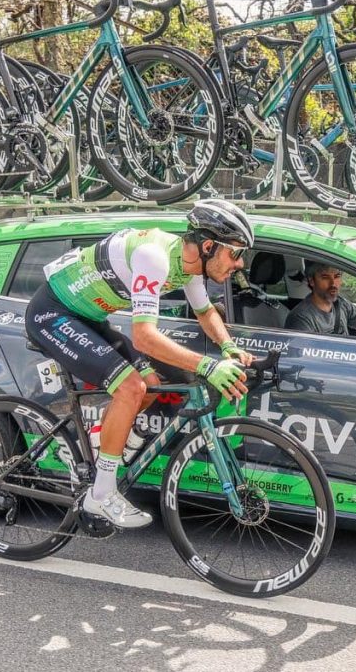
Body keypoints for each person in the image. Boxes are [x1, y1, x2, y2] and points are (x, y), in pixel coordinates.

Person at [25, 200, 255, 529]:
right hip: (53, 314)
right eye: (235, 253)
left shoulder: (187, 267)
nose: (240, 263)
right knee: (132, 387)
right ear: (208, 246)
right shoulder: (154, 257)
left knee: (151, 385)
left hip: (87, 317)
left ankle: (97, 445)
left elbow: (205, 313)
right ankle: (100, 495)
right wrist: (208, 365)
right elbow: (145, 337)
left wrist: (228, 346)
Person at [285, 261, 356, 336]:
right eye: (325, 277)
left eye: (337, 276)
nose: (333, 283)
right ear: (311, 281)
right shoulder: (301, 318)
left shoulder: (341, 304)